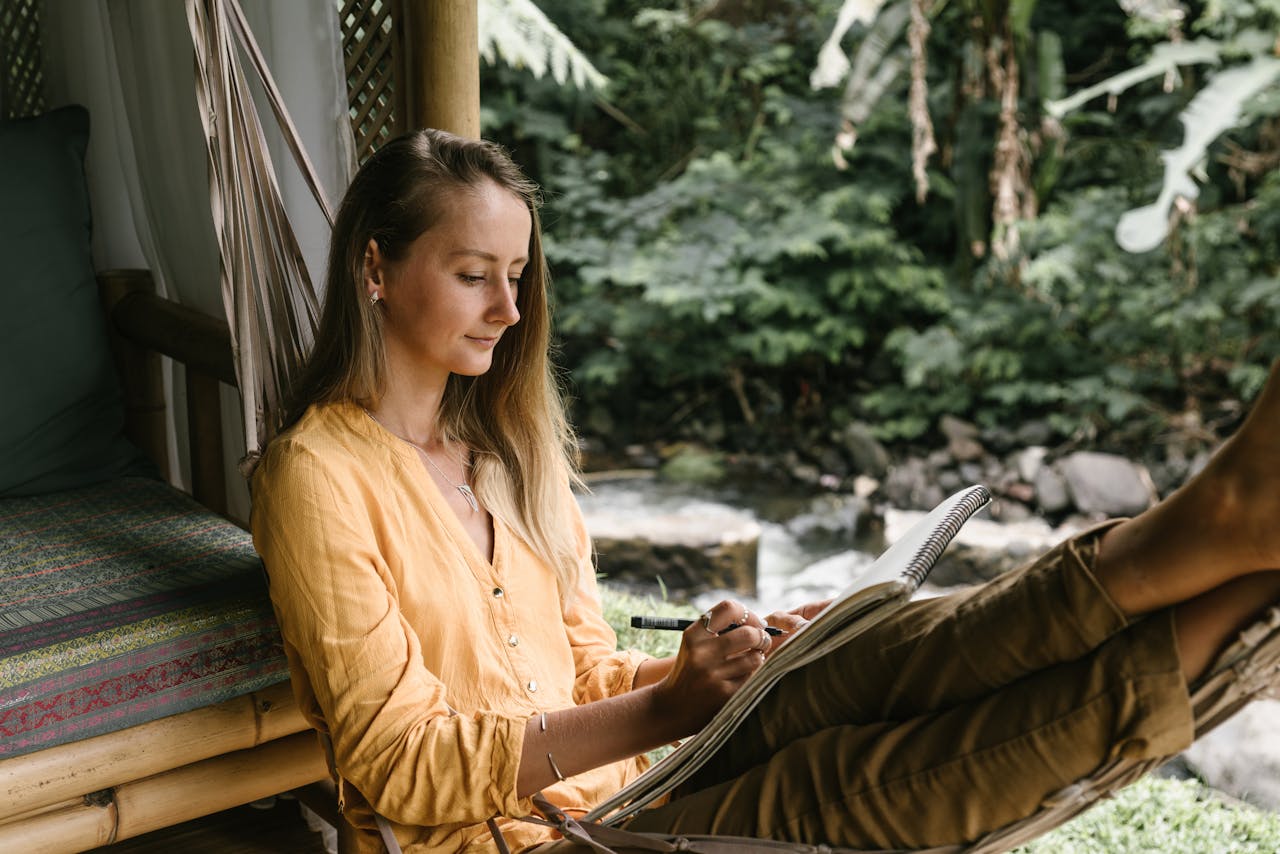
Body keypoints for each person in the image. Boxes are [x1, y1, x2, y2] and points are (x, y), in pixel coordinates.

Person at [250, 128, 1280, 854]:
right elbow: (401, 766)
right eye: (475, 272)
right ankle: (1238, 587)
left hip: (638, 793)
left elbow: (581, 671)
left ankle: (1197, 540)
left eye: (517, 274)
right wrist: (669, 703)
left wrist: (726, 665)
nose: (510, 308)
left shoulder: (508, 454)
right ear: (375, 268)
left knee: (861, 658)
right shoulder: (318, 477)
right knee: (834, 784)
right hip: (524, 842)